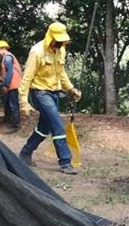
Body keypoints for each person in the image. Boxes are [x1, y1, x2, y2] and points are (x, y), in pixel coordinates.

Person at [17, 22, 81, 174]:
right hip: (39, 92)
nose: (60, 43)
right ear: (49, 37)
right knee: (57, 124)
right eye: (57, 40)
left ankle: (25, 153)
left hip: (54, 92)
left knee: (44, 127)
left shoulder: (61, 50)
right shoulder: (37, 52)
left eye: (62, 40)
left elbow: (61, 73)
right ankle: (65, 161)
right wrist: (23, 102)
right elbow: (26, 78)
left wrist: (71, 89)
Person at [0, 39, 22, 132]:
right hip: (11, 84)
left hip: (12, 84)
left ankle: (15, 125)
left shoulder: (7, 58)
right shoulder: (6, 57)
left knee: (13, 105)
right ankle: (8, 120)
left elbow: (10, 72)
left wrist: (6, 85)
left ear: (2, 48)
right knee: (8, 103)